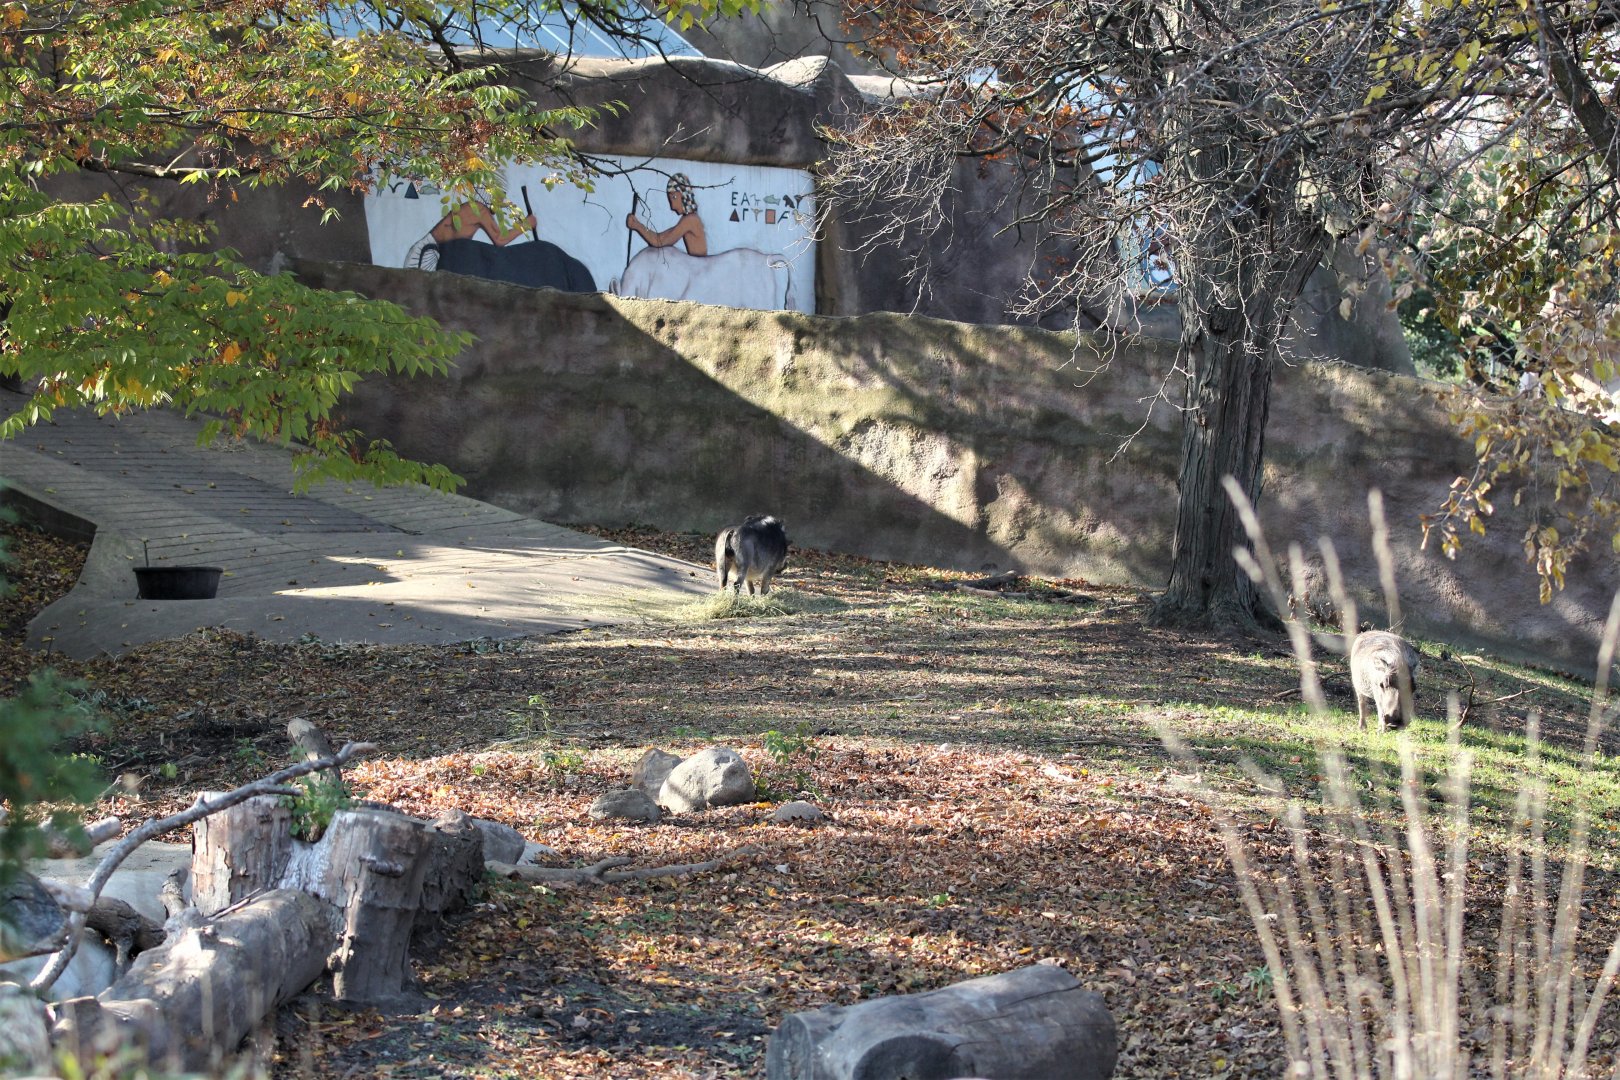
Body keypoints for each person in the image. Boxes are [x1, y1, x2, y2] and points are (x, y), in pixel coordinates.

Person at [625, 173, 707, 256]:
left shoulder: (690, 220)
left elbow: (659, 241)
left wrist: (637, 226)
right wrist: (637, 225)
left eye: (674, 198)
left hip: (698, 264)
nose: (673, 206)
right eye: (670, 200)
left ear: (683, 194)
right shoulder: (690, 219)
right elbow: (660, 239)